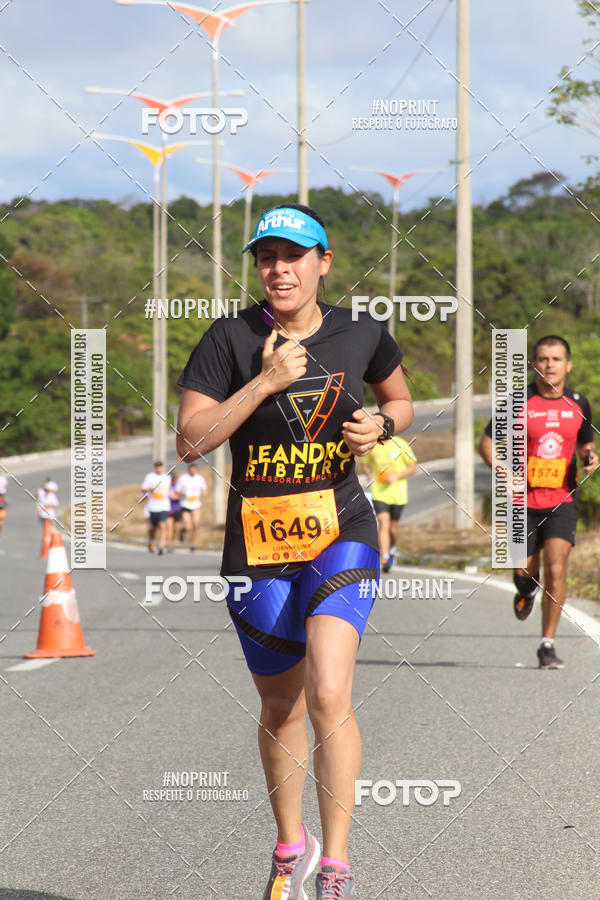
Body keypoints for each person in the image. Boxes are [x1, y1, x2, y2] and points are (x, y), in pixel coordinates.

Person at [176, 203, 413, 899]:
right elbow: (191, 441)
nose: (279, 269)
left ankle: (334, 865)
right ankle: (292, 846)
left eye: (294, 256)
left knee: (330, 691)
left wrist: (381, 424)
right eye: (267, 258)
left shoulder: (362, 332)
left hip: (341, 528)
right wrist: (265, 381)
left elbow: (399, 401)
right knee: (280, 705)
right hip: (258, 544)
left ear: (323, 263)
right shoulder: (229, 338)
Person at [478, 335, 597, 669]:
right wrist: (502, 470)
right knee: (525, 572)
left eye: (556, 359)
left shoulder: (579, 403)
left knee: (557, 570)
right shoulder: (517, 402)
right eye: (543, 359)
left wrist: (589, 457)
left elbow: (586, 444)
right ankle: (525, 589)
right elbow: (487, 443)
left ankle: (547, 644)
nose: (550, 365)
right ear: (534, 364)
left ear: (567, 365)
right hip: (522, 503)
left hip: (562, 499)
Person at [363, 436, 417, 572]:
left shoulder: (401, 444)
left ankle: (392, 548)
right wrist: (370, 475)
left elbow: (413, 467)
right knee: (383, 522)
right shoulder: (374, 445)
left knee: (393, 529)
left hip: (398, 494)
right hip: (379, 493)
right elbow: (365, 463)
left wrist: (396, 476)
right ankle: (385, 557)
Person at [175, 462, 207, 552]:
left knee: (196, 524)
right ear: (188, 470)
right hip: (185, 505)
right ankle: (182, 531)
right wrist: (183, 493)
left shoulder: (200, 479)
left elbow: (204, 490)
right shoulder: (183, 478)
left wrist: (203, 493)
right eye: (191, 469)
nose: (193, 471)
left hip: (196, 505)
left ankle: (193, 544)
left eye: (194, 469)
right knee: (188, 526)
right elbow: (177, 491)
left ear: (196, 470)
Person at [141, 461, 171, 555]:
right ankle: (151, 542)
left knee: (163, 525)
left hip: (164, 506)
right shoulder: (149, 477)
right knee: (152, 528)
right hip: (152, 506)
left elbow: (169, 490)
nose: (159, 468)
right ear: (155, 467)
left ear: (162, 467)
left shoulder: (167, 477)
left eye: (160, 466)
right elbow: (143, 489)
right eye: (157, 466)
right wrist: (151, 489)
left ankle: (161, 546)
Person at [165, 470, 184, 552]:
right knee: (169, 528)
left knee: (176, 529)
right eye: (172, 479)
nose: (173, 480)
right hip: (169, 509)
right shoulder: (167, 486)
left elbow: (181, 495)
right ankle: (170, 545)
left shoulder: (179, 486)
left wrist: (178, 494)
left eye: (175, 479)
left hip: (178, 509)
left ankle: (173, 541)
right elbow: (171, 496)